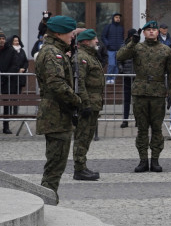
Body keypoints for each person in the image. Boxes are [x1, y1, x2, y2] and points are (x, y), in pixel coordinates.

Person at [117, 20, 171, 173]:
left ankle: (155, 160)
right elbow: (120, 56)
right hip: (140, 93)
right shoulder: (137, 47)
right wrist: (132, 42)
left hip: (157, 93)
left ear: (158, 32)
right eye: (148, 30)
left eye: (154, 30)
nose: (151, 32)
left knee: (157, 129)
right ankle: (143, 160)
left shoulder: (166, 50)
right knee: (142, 129)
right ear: (143, 32)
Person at [34, 15, 81, 196]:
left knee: (56, 163)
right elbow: (57, 85)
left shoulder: (54, 50)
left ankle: (48, 199)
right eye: (70, 32)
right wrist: (77, 101)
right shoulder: (53, 53)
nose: (72, 36)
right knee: (55, 165)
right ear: (60, 33)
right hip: (56, 114)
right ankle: (46, 201)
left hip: (58, 114)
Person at [71, 29, 103, 181]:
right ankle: (79, 168)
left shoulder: (90, 56)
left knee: (87, 136)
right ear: (85, 41)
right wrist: (85, 104)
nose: (97, 41)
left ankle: (82, 166)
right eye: (94, 39)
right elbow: (80, 83)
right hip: (87, 103)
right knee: (82, 136)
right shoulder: (81, 57)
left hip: (93, 102)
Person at [100, 13, 125, 83]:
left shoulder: (121, 28)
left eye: (119, 18)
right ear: (113, 18)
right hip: (110, 49)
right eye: (116, 17)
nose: (118, 19)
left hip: (119, 50)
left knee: (117, 65)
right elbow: (103, 36)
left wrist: (122, 45)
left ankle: (113, 79)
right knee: (111, 64)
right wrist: (108, 44)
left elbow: (122, 37)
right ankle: (108, 78)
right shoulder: (108, 27)